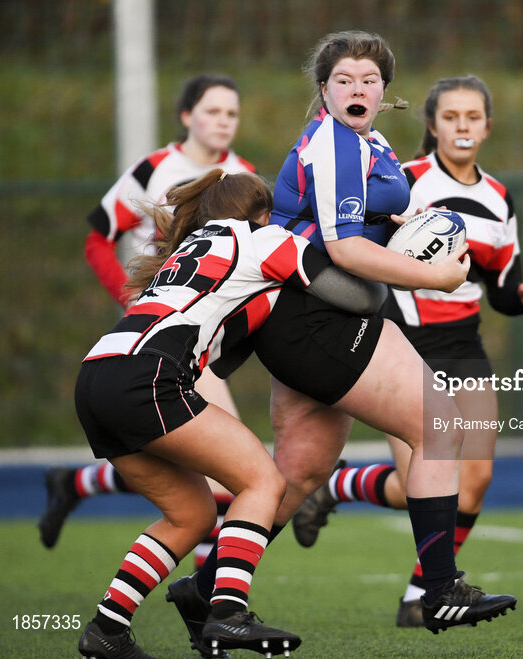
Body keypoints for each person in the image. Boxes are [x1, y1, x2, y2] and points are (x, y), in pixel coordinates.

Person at [164, 32, 516, 648]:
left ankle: (204, 590)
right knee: (438, 424)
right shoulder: (333, 144)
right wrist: (439, 274)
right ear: (324, 89)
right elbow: (347, 247)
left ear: (385, 91)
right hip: (316, 316)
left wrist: (409, 225)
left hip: (301, 318)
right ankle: (439, 591)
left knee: (298, 475)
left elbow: (359, 225)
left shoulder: (367, 141)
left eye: (370, 80)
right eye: (345, 79)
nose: (358, 89)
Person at [74, 169, 380, 658]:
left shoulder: (186, 250)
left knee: (190, 515)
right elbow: (364, 296)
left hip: (96, 375)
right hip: (145, 377)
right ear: (264, 214)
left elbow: (225, 347)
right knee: (263, 482)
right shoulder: (261, 238)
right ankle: (229, 614)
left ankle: (106, 631)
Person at [288, 74, 523, 627]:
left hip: (464, 341)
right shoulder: (404, 180)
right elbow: (361, 243)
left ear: (486, 127)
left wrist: (522, 296)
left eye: (472, 117)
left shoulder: (499, 197)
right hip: (406, 333)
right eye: (450, 117)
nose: (461, 126)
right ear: (431, 126)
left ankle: (417, 596)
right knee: (419, 483)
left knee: (474, 479)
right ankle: (340, 489)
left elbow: (500, 285)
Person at [40, 75, 253, 564]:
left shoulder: (243, 176)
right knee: (223, 474)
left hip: (205, 338)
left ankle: (75, 483)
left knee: (195, 464)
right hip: (158, 336)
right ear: (186, 116)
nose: (223, 122)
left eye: (232, 114)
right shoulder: (156, 168)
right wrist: (131, 296)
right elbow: (97, 238)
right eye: (213, 111)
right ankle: (204, 601)